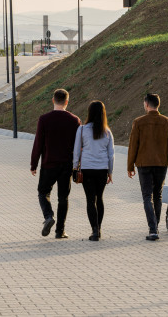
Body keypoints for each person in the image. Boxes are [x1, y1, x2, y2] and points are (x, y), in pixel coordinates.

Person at [31, 88, 81, 239]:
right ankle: (60, 231)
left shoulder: (44, 119)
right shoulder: (74, 120)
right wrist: (78, 165)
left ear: (53, 100)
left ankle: (48, 216)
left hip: (48, 163)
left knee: (43, 192)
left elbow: (38, 144)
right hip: (66, 165)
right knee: (63, 198)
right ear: (67, 102)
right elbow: (78, 145)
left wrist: (34, 164)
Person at [127, 93, 168, 241]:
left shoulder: (138, 122)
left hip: (143, 164)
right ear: (158, 105)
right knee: (158, 195)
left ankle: (153, 229)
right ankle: (155, 227)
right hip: (161, 164)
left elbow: (133, 146)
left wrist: (130, 166)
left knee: (147, 196)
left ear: (146, 104)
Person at [73, 101, 115, 241]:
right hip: (102, 169)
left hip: (87, 169)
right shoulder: (107, 132)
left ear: (89, 113)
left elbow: (76, 151)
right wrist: (110, 172)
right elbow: (111, 154)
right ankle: (99, 228)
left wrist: (74, 167)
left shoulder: (82, 129)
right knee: (100, 198)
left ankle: (95, 230)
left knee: (91, 200)